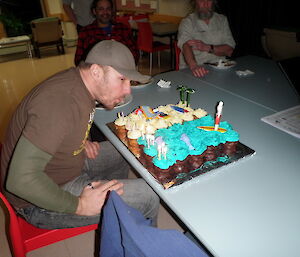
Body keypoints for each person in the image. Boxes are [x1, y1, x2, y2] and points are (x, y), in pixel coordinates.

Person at [0, 40, 157, 230]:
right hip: (38, 200)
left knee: (127, 148)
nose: (127, 90)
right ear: (96, 72)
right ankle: (134, 230)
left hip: (66, 165)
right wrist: (80, 205)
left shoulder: (80, 83)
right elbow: (20, 180)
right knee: (149, 195)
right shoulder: (59, 103)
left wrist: (83, 140)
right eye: (122, 79)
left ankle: (118, 218)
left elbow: (69, 123)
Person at [177, 0, 236, 77]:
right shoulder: (187, 22)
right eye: (201, 0)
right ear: (195, 2)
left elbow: (229, 50)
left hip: (220, 68)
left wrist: (208, 48)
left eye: (209, 0)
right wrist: (194, 66)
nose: (205, 4)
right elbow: (185, 46)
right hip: (194, 69)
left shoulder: (222, 20)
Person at [74, 0, 139, 66]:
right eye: (101, 9)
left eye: (108, 9)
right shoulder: (86, 32)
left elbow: (135, 55)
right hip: (96, 72)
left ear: (112, 10)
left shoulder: (124, 29)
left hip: (122, 70)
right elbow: (78, 61)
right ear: (94, 11)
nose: (105, 12)